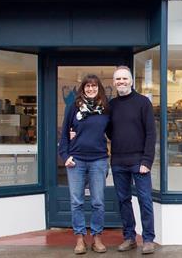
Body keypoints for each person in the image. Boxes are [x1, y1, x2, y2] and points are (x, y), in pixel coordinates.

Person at [107, 66, 156, 255]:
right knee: (123, 200)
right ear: (114, 82)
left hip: (139, 161)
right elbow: (109, 130)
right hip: (118, 161)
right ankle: (129, 237)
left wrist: (147, 161)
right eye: (118, 79)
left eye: (124, 78)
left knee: (145, 200)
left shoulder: (143, 102)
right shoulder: (111, 105)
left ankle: (148, 239)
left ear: (131, 81)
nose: (121, 82)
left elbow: (151, 133)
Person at [58, 74, 110, 254]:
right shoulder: (74, 108)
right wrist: (65, 156)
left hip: (99, 160)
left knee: (98, 202)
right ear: (83, 89)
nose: (90, 89)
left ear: (99, 89)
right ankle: (80, 239)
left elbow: (113, 133)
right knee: (77, 202)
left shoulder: (105, 109)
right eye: (87, 86)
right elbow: (64, 134)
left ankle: (97, 238)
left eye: (94, 86)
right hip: (77, 161)